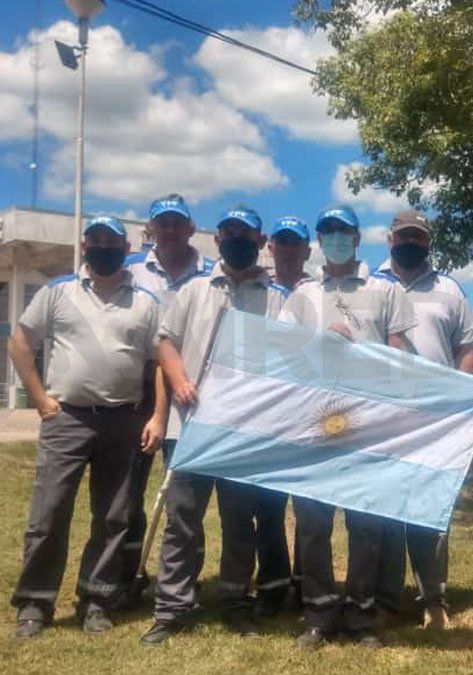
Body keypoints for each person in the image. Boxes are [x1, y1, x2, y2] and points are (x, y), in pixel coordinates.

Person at [8, 216, 166, 639]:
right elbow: (21, 342)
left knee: (114, 517)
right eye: (95, 239)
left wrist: (156, 416)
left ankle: (97, 600)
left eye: (111, 240)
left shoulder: (146, 302)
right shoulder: (58, 291)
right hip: (68, 419)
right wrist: (41, 399)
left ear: (125, 244)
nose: (102, 246)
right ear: (84, 244)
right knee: (50, 513)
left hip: (123, 420)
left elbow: (157, 365)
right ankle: (34, 604)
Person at [141, 206, 291, 644]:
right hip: (189, 429)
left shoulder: (279, 297)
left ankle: (234, 602)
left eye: (244, 234)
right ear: (217, 240)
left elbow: (297, 358)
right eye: (228, 233)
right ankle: (172, 608)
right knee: (182, 520)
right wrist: (180, 380)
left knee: (239, 522)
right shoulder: (192, 290)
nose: (235, 240)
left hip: (243, 432)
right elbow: (166, 342)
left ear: (260, 241)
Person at [278, 205, 416, 650]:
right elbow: (284, 356)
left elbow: (399, 355)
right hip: (314, 421)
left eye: (343, 231)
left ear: (358, 238)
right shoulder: (301, 295)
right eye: (327, 231)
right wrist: (319, 345)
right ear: (319, 239)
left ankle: (361, 614)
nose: (335, 237)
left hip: (368, 421)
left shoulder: (385, 290)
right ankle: (318, 612)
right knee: (313, 521)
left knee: (365, 522)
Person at [373, 209, 473, 630]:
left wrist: (460, 403)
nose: (411, 243)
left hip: (434, 421)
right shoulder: (368, 284)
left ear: (428, 242)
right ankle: (386, 597)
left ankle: (434, 598)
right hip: (379, 414)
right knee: (381, 508)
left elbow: (466, 350)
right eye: (404, 236)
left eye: (419, 237)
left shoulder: (450, 290)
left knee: (430, 510)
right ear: (390, 239)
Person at [120, 193, 213, 605]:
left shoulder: (210, 275)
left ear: (191, 228)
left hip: (186, 391)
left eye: (178, 222)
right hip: (130, 389)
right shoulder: (130, 271)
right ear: (150, 228)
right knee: (124, 495)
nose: (170, 230)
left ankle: (183, 584)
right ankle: (124, 577)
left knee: (183, 495)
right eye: (163, 223)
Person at [253, 215, 314, 616]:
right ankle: (273, 586)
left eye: (297, 242)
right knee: (268, 508)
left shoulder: (321, 292)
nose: (289, 248)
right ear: (270, 247)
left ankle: (308, 586)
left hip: (312, 416)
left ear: (308, 250)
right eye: (282, 241)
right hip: (269, 416)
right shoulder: (256, 291)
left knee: (311, 510)